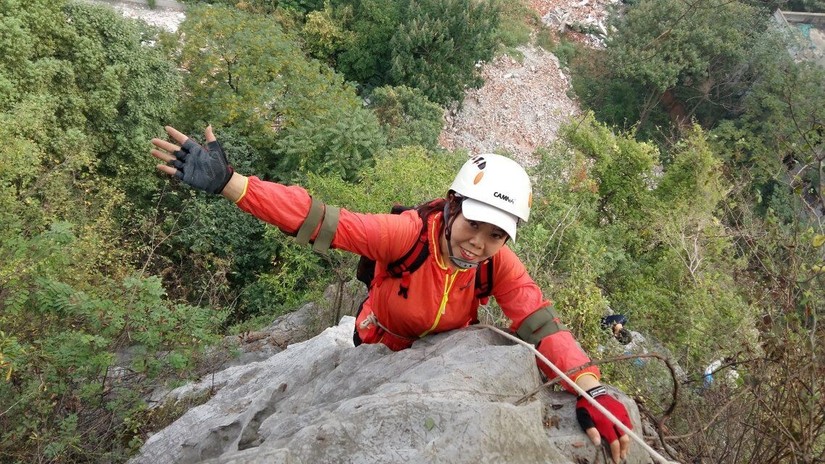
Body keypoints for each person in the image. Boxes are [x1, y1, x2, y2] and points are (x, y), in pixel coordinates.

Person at [150, 125, 633, 463]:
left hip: (441, 353)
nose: (479, 243)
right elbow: (320, 219)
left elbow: (539, 321)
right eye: (473, 225)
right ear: (451, 207)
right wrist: (233, 184)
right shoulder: (406, 235)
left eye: (496, 235)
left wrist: (592, 389)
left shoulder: (498, 265)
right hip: (380, 345)